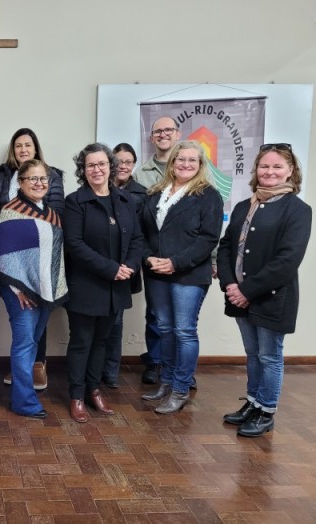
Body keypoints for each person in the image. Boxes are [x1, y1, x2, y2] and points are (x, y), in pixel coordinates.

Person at [217, 143, 311, 437]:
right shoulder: (245, 206)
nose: (269, 172)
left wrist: (246, 291)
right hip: (239, 296)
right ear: (256, 170)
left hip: (272, 298)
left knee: (270, 356)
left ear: (290, 171)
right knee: (252, 353)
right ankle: (253, 402)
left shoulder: (298, 210)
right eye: (264, 166)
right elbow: (226, 246)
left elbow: (287, 261)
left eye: (277, 167)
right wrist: (230, 284)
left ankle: (266, 410)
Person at [140, 140, 223, 414]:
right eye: (181, 159)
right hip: (156, 273)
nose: (186, 164)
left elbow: (209, 238)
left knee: (184, 331)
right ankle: (166, 382)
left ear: (201, 165)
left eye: (192, 160)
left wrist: (175, 263)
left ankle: (180, 389)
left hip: (188, 274)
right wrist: (148, 258)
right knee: (163, 328)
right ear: (172, 162)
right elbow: (144, 233)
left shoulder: (208, 195)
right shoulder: (155, 192)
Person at [63, 143, 144, 423]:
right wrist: (111, 269)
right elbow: (74, 245)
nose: (96, 169)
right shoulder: (75, 202)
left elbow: (137, 239)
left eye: (101, 164)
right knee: (82, 341)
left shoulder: (125, 200)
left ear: (111, 166)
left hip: (116, 286)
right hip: (86, 285)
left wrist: (130, 267)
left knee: (102, 342)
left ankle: (93, 390)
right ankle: (76, 395)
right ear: (82, 170)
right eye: (90, 165)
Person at [0, 159, 68, 419]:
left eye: (43, 179)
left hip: (44, 289)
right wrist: (18, 288)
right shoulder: (11, 211)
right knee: (23, 344)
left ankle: (25, 392)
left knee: (32, 343)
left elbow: (53, 255)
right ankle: (23, 402)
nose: (39, 183)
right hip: (19, 292)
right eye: (33, 178)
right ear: (20, 182)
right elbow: (1, 254)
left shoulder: (52, 213)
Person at [133, 117, 182, 385]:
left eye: (168, 130)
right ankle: (155, 361)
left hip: (184, 256)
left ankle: (180, 369)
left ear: (178, 133)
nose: (163, 135)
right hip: (152, 254)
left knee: (183, 318)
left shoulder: (193, 168)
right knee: (155, 312)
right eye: (157, 131)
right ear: (151, 137)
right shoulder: (141, 174)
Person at [101, 143, 147, 388]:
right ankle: (95, 370)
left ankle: (111, 372)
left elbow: (140, 237)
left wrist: (128, 265)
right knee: (99, 322)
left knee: (116, 322)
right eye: (118, 161)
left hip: (125, 268)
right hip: (100, 268)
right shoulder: (97, 190)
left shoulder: (140, 194)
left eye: (128, 162)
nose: (123, 166)